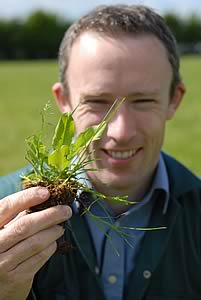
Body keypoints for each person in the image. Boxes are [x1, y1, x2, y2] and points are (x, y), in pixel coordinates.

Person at [0, 4, 201, 300]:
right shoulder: (6, 214)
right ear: (64, 99)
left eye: (143, 101)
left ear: (174, 99)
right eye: (97, 101)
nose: (120, 132)